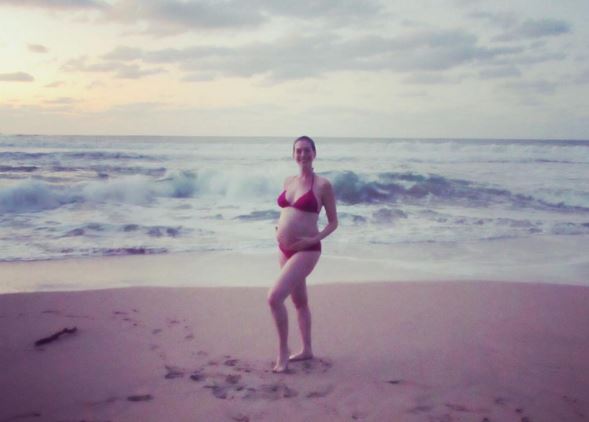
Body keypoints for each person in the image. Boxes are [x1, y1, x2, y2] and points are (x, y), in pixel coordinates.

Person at [268, 135, 338, 373]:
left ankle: (283, 353)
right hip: (284, 249)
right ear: (293, 154)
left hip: (307, 249)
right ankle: (307, 349)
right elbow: (287, 211)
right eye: (298, 150)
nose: (302, 154)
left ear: (314, 153)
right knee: (299, 302)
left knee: (274, 298)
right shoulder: (288, 181)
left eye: (307, 150)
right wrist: (280, 229)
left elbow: (333, 223)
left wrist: (312, 239)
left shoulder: (323, 185)